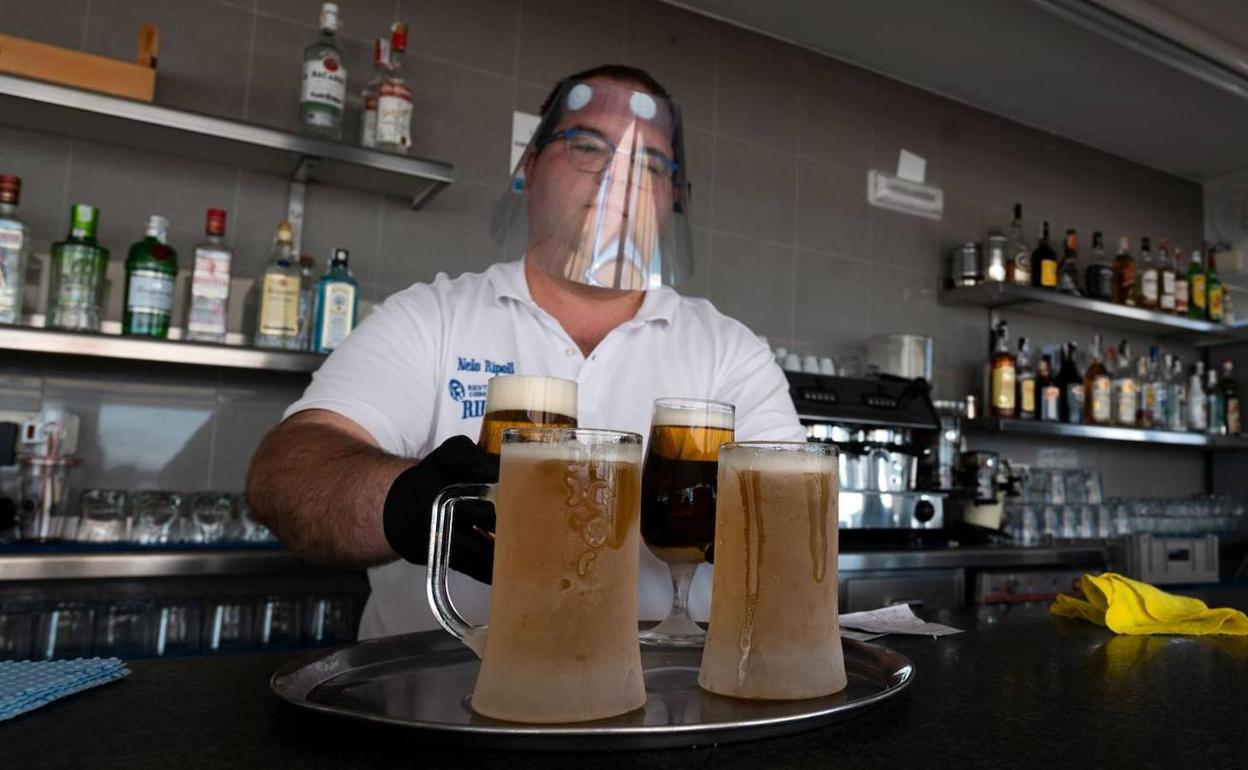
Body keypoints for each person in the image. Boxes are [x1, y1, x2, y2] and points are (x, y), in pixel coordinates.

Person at [247, 64, 805, 639]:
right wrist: (403, 501)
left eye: (651, 164)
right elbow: (287, 473)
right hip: (435, 698)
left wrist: (758, 525)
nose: (621, 178)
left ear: (672, 200)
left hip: (667, 703)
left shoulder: (729, 350)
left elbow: (792, 526)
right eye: (589, 147)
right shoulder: (431, 317)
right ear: (530, 166)